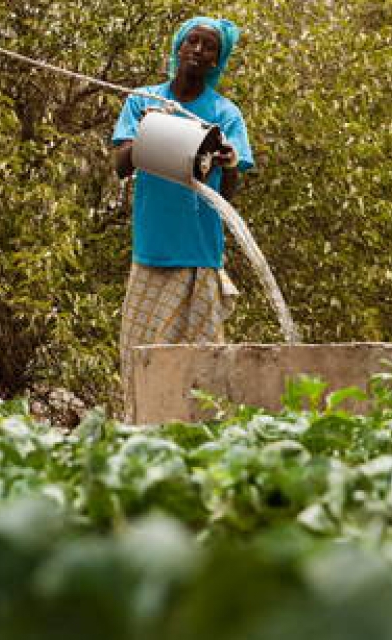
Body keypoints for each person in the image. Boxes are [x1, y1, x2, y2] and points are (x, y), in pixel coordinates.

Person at [111, 16, 254, 420]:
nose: (197, 50)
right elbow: (121, 166)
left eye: (209, 47)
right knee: (142, 360)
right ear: (177, 48)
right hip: (152, 252)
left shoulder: (225, 114)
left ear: (216, 61)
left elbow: (227, 195)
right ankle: (142, 430)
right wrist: (147, 130)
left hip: (199, 257)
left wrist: (229, 164)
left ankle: (198, 439)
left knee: (203, 369)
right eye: (191, 41)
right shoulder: (143, 100)